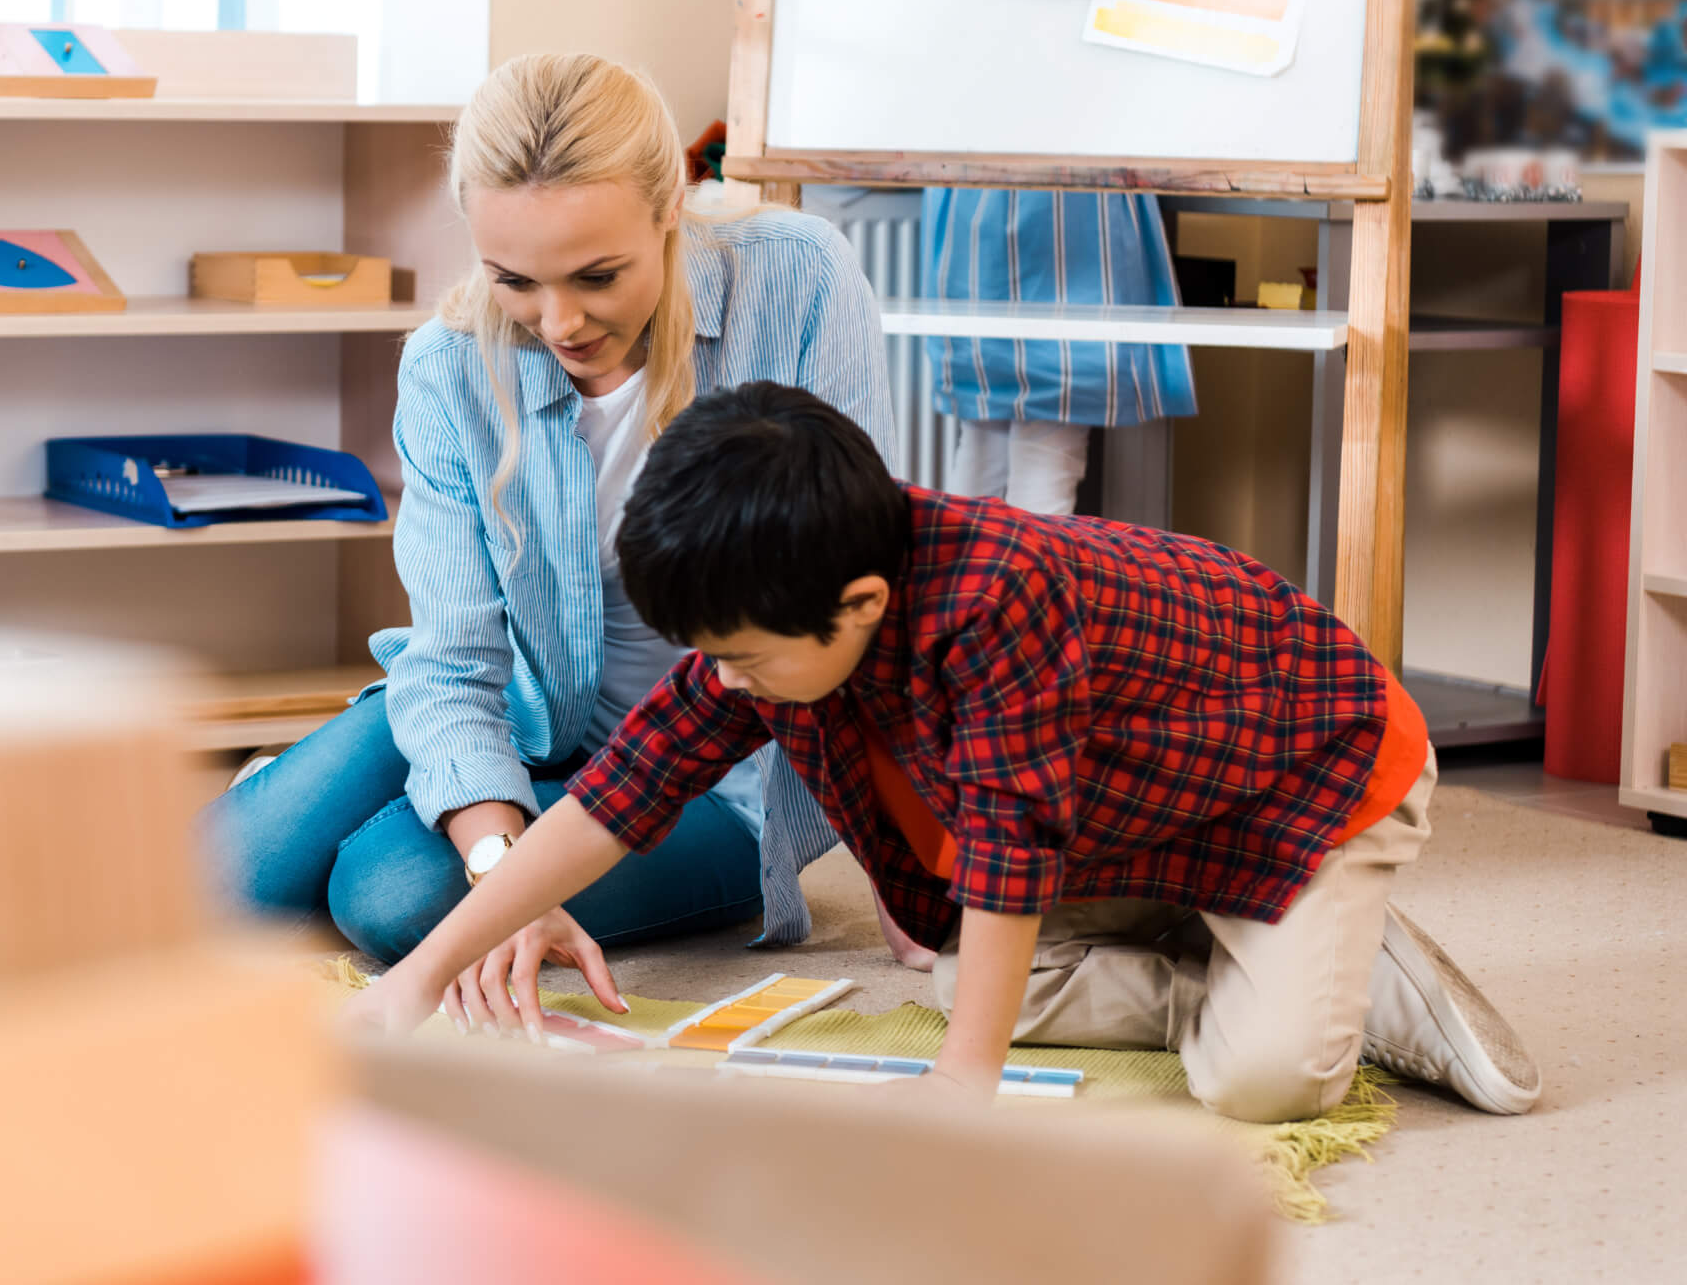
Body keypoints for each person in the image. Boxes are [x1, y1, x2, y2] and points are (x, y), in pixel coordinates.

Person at [345, 382, 1540, 1122]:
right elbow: (622, 793)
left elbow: (1016, 840)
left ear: (861, 603)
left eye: (748, 660)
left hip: (1313, 772)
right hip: (1140, 798)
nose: (729, 682)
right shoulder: (781, 604)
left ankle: (1345, 964)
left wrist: (965, 1085)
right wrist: (417, 979)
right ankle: (1243, 955)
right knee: (956, 972)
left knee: (1260, 1083)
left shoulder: (996, 595)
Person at [209, 54, 921, 1023]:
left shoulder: (798, 281)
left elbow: (858, 577)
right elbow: (456, 655)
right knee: (216, 882)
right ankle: (427, 779)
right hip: (525, 710)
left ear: (672, 202)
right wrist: (509, 864)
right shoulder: (448, 363)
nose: (559, 322)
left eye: (598, 275)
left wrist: (902, 860)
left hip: (715, 772)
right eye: (515, 280)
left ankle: (415, 799)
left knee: (387, 892)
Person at [924, 188, 1197, 516]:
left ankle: (956, 566)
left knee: (983, 441)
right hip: (1067, 222)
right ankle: (1022, 567)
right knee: (1045, 444)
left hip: (978, 224)